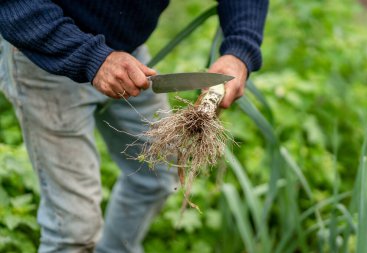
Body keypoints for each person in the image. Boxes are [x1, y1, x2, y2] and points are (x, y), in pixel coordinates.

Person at [0, 0, 268, 252]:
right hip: (45, 54)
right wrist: (92, 57)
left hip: (130, 60)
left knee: (158, 174)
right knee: (73, 228)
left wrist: (239, 49)